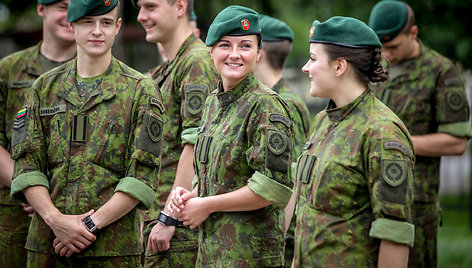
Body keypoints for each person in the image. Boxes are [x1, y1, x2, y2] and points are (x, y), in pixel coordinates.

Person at [9, 0, 165, 266]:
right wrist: (56, 221)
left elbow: (141, 175)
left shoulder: (141, 91)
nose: (97, 31)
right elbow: (27, 166)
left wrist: (88, 225)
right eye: (87, 22)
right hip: (49, 247)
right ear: (72, 26)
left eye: (105, 23)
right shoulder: (44, 88)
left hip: (113, 250)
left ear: (117, 27)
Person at [169, 5, 294, 267]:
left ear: (259, 54)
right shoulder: (213, 102)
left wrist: (207, 205)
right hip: (211, 254)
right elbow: (219, 174)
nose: (234, 55)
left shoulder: (266, 106)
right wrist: (194, 193)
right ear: (211, 51)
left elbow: (272, 188)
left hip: (249, 256)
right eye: (225, 45)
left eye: (245, 46)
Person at [293, 16, 415, 267]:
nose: (305, 67)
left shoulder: (381, 133)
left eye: (314, 59)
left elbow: (394, 233)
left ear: (339, 66)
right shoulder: (322, 121)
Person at [368, 1, 472, 267]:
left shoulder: (441, 71)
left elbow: (456, 142)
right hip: (368, 196)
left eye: (394, 47)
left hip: (414, 204)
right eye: (382, 47)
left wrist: (396, 144)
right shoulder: (372, 68)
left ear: (413, 33)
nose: (387, 54)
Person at [132, 0, 218, 267]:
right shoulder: (170, 67)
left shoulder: (196, 61)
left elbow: (195, 146)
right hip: (156, 218)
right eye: (139, 7)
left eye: (150, 7)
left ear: (180, 6)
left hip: (176, 228)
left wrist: (169, 216)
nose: (141, 16)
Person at [0, 0, 76, 267]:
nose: (71, 16)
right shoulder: (9, 71)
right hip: (17, 219)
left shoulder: (97, 71)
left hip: (77, 221)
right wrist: (32, 193)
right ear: (41, 9)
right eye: (63, 7)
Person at [252, 14, 310, 268]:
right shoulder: (270, 98)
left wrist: (279, 237)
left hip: (282, 239)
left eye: (246, 44)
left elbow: (293, 176)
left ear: (260, 52)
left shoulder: (285, 103)